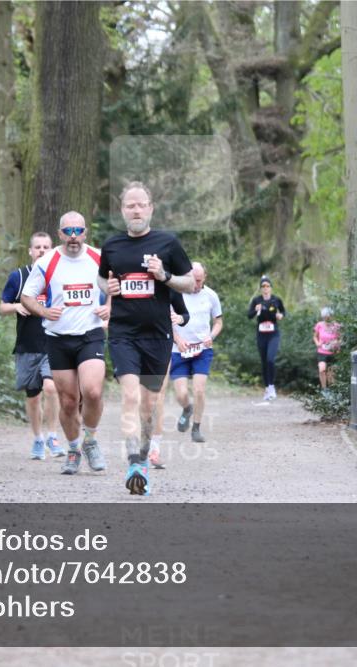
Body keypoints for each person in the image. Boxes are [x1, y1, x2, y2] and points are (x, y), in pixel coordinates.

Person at [99, 181, 195, 495]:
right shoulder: (112, 246)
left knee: (149, 405)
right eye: (130, 205)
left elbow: (190, 282)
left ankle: (142, 453)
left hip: (158, 336)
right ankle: (134, 463)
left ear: (151, 208)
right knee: (130, 396)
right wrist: (108, 289)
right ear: (122, 210)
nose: (136, 210)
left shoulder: (168, 243)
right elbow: (103, 278)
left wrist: (164, 276)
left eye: (141, 204)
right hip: (123, 333)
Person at [21, 212, 109, 475]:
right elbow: (27, 296)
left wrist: (110, 309)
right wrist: (44, 312)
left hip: (90, 334)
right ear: (59, 234)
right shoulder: (47, 262)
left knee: (92, 391)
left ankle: (90, 440)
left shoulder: (100, 257)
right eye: (67, 232)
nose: (73, 237)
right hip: (58, 338)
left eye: (77, 231)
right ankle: (73, 449)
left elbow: (117, 287)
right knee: (69, 402)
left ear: (85, 232)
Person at [0, 231, 64, 460]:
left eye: (46, 247)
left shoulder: (58, 277)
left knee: (51, 388)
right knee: (33, 396)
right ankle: (38, 438)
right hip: (27, 345)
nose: (42, 251)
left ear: (52, 250)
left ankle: (53, 436)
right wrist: (16, 307)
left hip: (53, 343)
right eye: (38, 247)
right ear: (30, 251)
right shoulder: (19, 276)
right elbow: (2, 306)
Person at [169, 261, 223, 446]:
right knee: (181, 393)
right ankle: (186, 409)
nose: (196, 284)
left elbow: (218, 322)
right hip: (179, 350)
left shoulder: (211, 296)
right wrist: (177, 339)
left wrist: (212, 336)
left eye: (199, 280)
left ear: (205, 278)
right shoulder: (175, 294)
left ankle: (196, 428)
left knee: (199, 390)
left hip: (202, 349)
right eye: (193, 280)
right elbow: (167, 322)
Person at [147, 290, 191, 469]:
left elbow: (183, 314)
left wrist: (178, 325)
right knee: (139, 398)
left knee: (158, 396)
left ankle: (154, 449)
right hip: (132, 344)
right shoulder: (130, 280)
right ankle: (140, 443)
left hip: (160, 345)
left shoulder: (169, 286)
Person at [247, 275, 285, 401]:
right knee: (264, 362)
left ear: (271, 288)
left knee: (270, 359)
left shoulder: (276, 300)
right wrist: (255, 310)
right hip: (261, 334)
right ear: (260, 288)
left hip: (273, 334)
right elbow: (249, 315)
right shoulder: (257, 300)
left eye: (267, 286)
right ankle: (267, 388)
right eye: (263, 286)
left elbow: (283, 312)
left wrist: (280, 316)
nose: (265, 288)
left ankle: (272, 386)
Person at [313, 306, 341, 393]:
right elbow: (315, 336)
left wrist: (337, 344)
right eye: (325, 317)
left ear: (332, 316)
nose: (327, 318)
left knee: (331, 374)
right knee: (322, 369)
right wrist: (317, 343)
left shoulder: (336, 325)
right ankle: (324, 390)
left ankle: (332, 392)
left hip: (333, 352)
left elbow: (340, 338)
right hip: (322, 352)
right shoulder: (319, 325)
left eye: (328, 316)